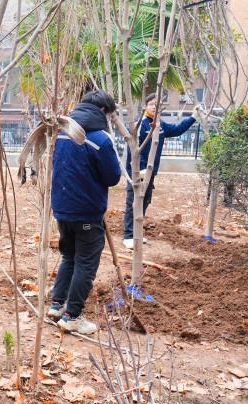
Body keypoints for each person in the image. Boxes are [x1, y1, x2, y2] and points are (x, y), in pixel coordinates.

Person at [48, 90, 123, 335]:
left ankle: (57, 305)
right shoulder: (100, 139)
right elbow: (113, 177)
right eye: (110, 115)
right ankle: (73, 316)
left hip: (62, 209)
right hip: (87, 213)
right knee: (85, 263)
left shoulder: (63, 133)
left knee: (69, 257)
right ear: (103, 112)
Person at [123, 93, 198, 249]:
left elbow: (177, 130)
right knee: (134, 203)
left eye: (157, 105)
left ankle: (136, 233)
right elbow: (134, 150)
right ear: (145, 106)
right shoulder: (140, 124)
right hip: (138, 173)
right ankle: (128, 236)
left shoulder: (160, 125)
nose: (154, 107)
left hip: (150, 174)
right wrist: (140, 169)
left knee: (144, 202)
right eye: (151, 104)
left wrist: (193, 117)